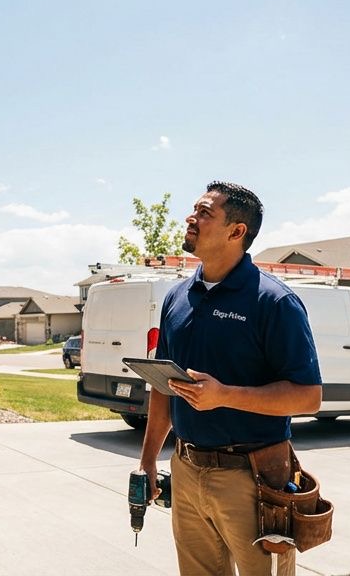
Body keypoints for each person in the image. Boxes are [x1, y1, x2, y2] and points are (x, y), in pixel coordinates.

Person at [137, 182, 323, 575]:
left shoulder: (274, 301)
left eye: (205, 213)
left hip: (254, 478)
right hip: (186, 469)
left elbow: (308, 397)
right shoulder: (177, 297)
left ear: (236, 231)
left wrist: (224, 396)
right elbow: (162, 385)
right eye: (194, 209)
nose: (191, 218)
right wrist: (149, 459)